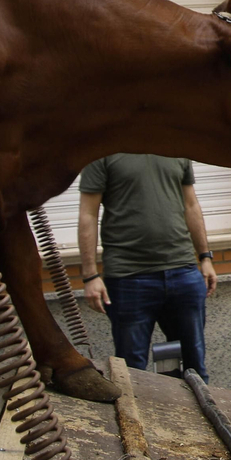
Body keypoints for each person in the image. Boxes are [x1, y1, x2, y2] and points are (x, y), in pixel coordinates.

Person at [78, 155, 219, 380]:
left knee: (195, 368)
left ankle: (192, 416)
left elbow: (190, 204)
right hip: (128, 278)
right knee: (132, 371)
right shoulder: (104, 151)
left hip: (183, 272)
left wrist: (205, 258)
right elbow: (88, 214)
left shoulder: (175, 147)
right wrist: (90, 275)